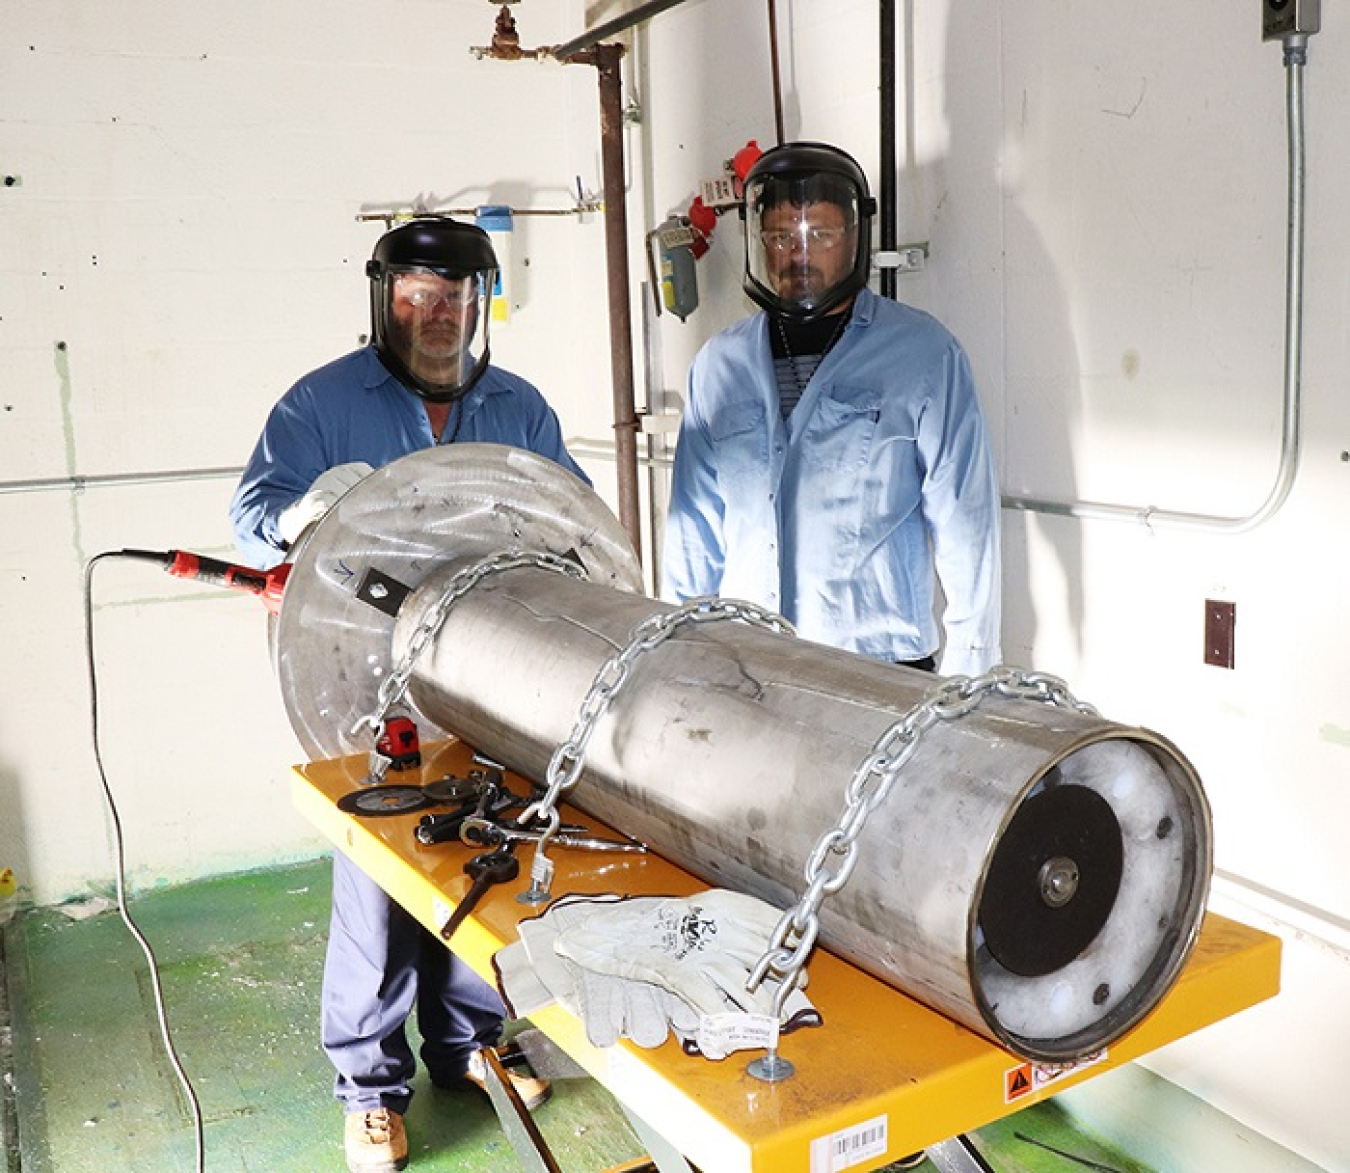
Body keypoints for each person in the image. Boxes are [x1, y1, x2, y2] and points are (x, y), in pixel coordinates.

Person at [231, 218, 572, 1173]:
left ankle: (471, 1046)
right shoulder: (323, 401)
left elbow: (569, 509)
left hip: (490, 676)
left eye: (457, 297)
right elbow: (253, 506)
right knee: (379, 877)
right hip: (361, 676)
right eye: (419, 296)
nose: (439, 314)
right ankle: (370, 1089)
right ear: (385, 299)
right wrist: (301, 511)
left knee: (485, 854)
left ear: (480, 303)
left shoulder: (519, 405)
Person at [661, 141, 1001, 677]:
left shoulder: (923, 355)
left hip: (881, 670)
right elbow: (692, 534)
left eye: (819, 234)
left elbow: (966, 522)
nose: (797, 252)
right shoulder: (718, 366)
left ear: (852, 240)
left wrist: (970, 672)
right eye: (779, 236)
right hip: (748, 668)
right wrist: (676, 658)